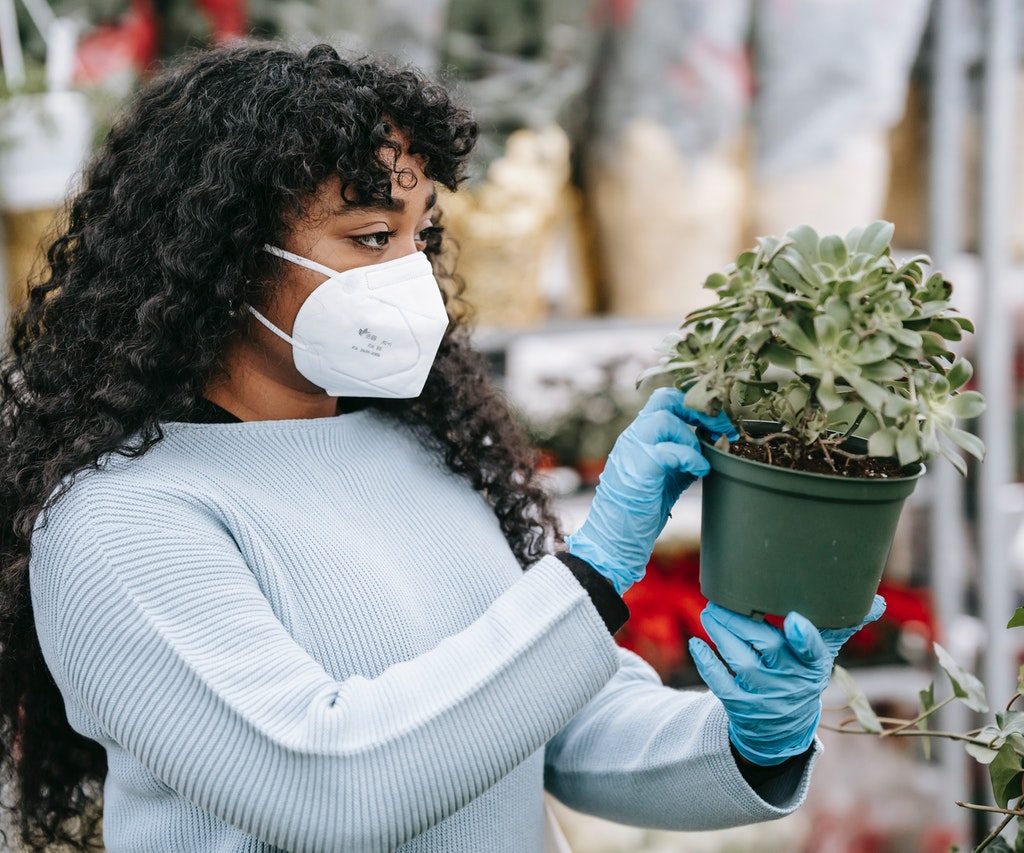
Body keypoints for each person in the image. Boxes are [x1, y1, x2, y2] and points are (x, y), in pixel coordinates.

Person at [0, 42, 881, 853]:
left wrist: (748, 736)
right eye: (371, 237)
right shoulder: (120, 523)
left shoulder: (418, 451)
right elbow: (325, 783)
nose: (411, 274)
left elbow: (551, 727)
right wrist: (593, 577)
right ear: (222, 258)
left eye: (421, 235)